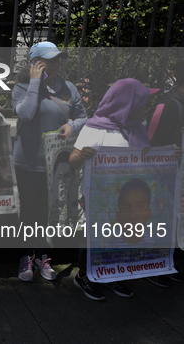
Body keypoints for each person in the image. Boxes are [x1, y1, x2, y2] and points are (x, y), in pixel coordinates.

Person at [69, 78, 162, 300]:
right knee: (94, 236)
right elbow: (73, 160)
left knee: (118, 235)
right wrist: (82, 155)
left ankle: (111, 274)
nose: (147, 107)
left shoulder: (137, 128)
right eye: (143, 102)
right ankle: (84, 275)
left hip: (125, 197)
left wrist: (170, 155)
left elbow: (148, 160)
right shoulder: (95, 127)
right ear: (126, 105)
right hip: (97, 197)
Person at [12, 41, 87, 282]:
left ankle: (42, 255)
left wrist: (71, 124)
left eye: (57, 59)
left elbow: (83, 117)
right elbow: (26, 113)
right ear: (35, 63)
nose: (55, 64)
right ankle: (26, 255)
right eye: (49, 60)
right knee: (29, 210)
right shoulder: (22, 86)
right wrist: (35, 82)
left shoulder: (68, 88)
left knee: (47, 211)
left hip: (56, 163)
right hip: (28, 161)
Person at [146, 60, 184, 284]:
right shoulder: (168, 104)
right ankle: (153, 267)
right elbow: (148, 142)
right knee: (159, 218)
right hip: (163, 176)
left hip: (179, 176)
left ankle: (167, 263)